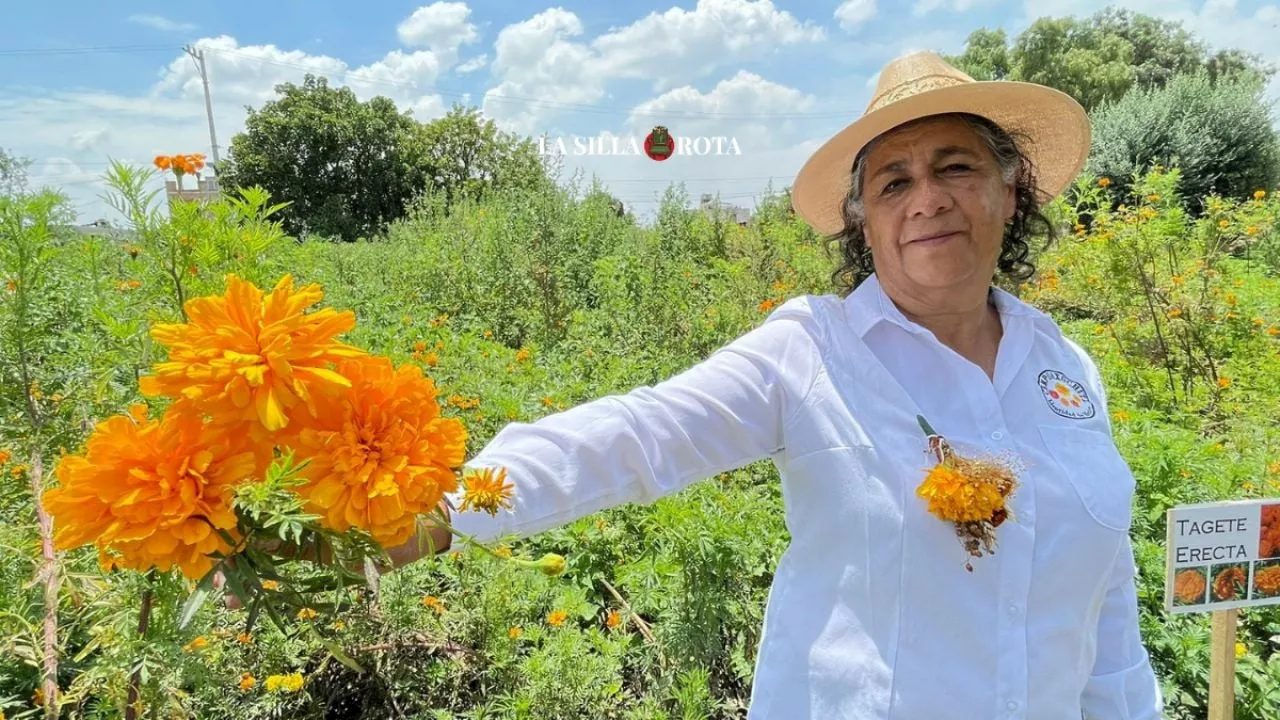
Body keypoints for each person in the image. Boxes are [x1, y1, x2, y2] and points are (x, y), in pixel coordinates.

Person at [397, 51, 1165, 719]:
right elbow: (643, 434)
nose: (927, 196)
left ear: (1011, 192)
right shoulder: (813, 351)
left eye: (955, 166)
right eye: (894, 182)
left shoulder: (1062, 365)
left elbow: (1104, 603)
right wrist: (440, 508)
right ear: (865, 224)